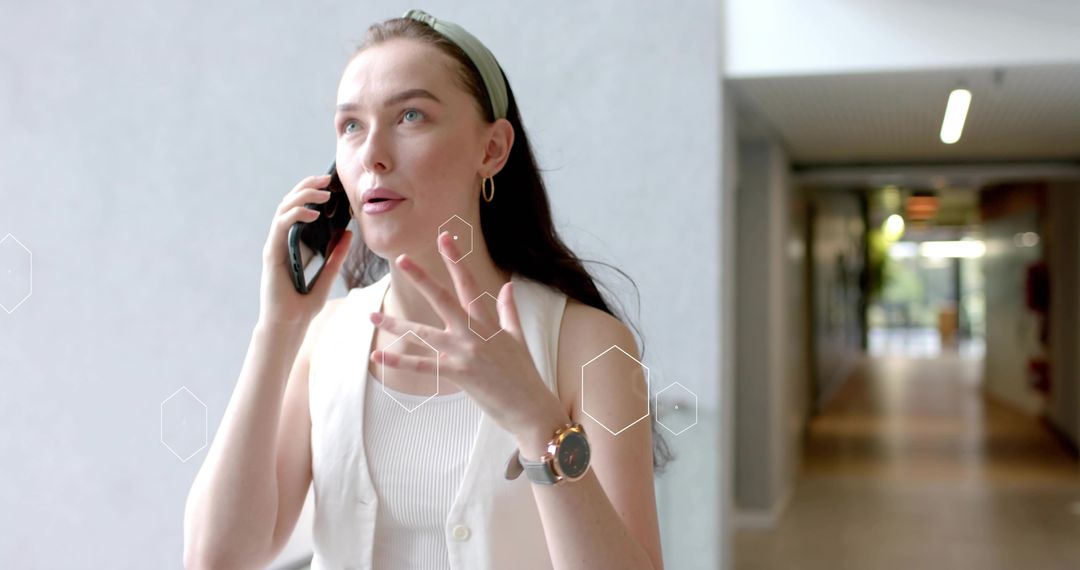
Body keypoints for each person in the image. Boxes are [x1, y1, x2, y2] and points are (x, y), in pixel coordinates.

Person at [184, 10, 665, 570]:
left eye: (410, 115)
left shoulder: (592, 346)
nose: (371, 156)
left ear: (492, 150)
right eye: (351, 127)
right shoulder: (324, 339)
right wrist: (278, 328)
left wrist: (538, 421)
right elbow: (214, 558)